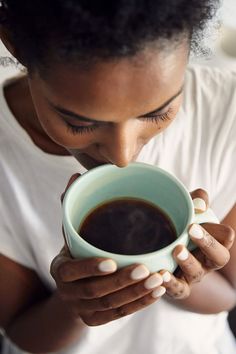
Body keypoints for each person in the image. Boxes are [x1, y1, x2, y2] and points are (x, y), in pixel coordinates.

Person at [0, 1, 235, 353]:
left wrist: (184, 271)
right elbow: (21, 334)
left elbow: (228, 296)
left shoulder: (225, 110)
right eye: (79, 123)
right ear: (13, 44)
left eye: (158, 112)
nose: (123, 156)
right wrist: (73, 304)